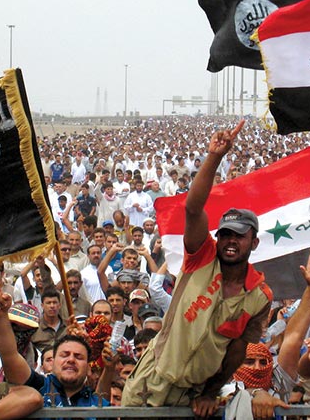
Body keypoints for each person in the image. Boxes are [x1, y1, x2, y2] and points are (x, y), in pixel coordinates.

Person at [122, 121, 272, 419]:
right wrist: (213, 157)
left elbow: (237, 351)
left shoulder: (260, 296)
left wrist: (211, 392)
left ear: (253, 242)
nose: (230, 241)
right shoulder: (201, 257)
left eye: (239, 236)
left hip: (193, 396)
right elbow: (193, 208)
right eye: (226, 234)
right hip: (150, 380)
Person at [0, 290, 110, 412]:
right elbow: (8, 355)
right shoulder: (38, 387)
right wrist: (0, 316)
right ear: (53, 361)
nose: (71, 360)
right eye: (64, 355)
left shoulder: (100, 405)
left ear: (88, 366)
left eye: (78, 357)